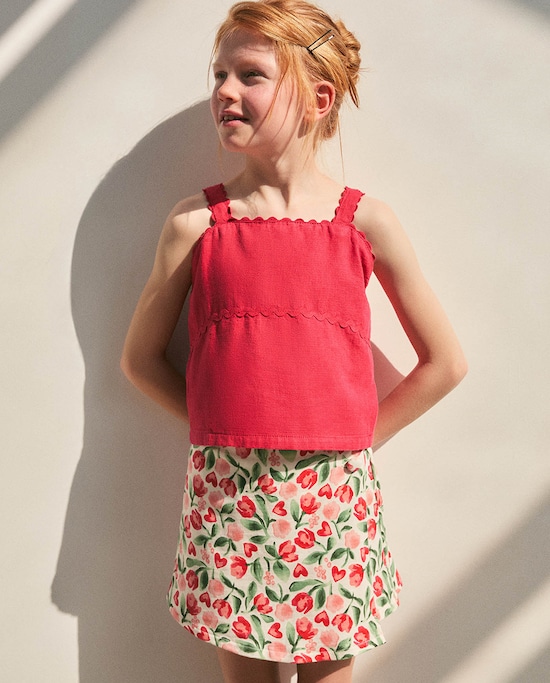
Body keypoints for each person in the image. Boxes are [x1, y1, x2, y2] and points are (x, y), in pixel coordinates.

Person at [121, 1, 467, 681]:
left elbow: (445, 362)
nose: (224, 91)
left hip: (333, 496)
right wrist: (222, 432)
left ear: (318, 98)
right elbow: (140, 361)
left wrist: (357, 440)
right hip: (229, 494)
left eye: (250, 74)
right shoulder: (197, 225)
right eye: (218, 74)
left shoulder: (364, 222)